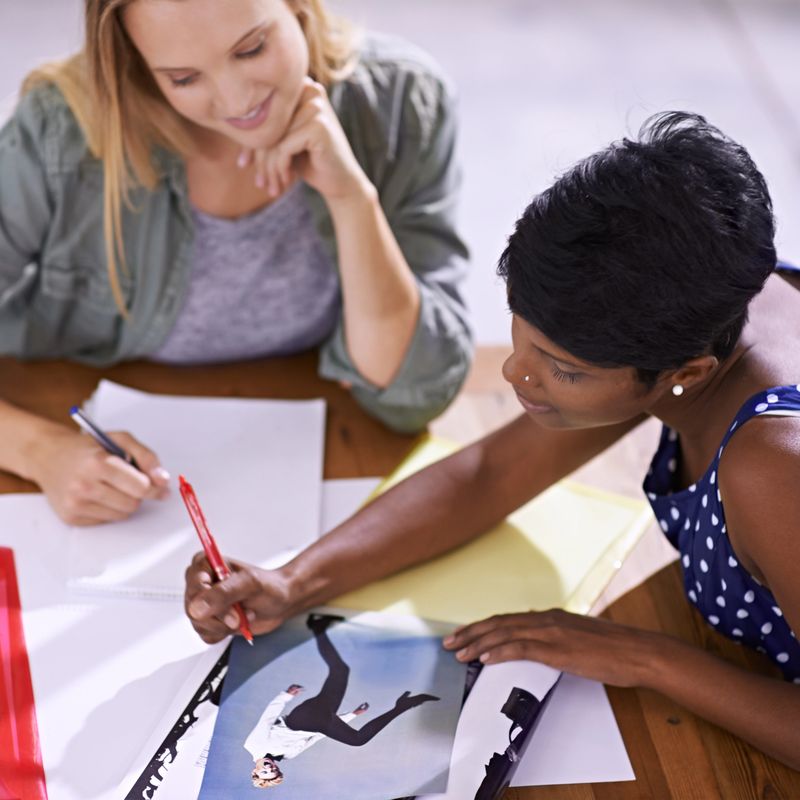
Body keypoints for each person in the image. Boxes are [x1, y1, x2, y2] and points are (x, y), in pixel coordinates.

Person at [185, 111, 800, 769]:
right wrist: (292, 581)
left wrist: (643, 655)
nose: (514, 372)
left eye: (563, 369)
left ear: (685, 375)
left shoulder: (771, 468)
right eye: (519, 329)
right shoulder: (696, 290)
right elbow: (489, 473)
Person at [0, 0, 472, 526]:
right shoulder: (60, 132)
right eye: (183, 78)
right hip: (84, 425)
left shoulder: (402, 101)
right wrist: (39, 451)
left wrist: (353, 200)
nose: (237, 99)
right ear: (136, 62)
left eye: (252, 49)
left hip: (319, 457)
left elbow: (411, 393)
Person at [244, 614, 438, 789]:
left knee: (356, 737)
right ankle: (318, 627)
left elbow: (267, 718)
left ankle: (402, 706)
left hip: (301, 718)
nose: (270, 768)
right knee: (341, 672)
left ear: (255, 771)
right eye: (273, 772)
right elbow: (318, 736)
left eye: (265, 772)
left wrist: (286, 695)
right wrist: (352, 715)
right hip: (320, 723)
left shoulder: (253, 746)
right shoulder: (289, 755)